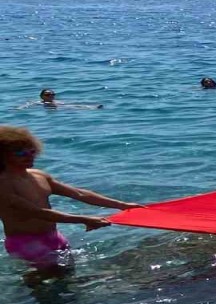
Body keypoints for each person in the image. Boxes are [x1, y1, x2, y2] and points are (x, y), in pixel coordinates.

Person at [0, 126, 141, 269]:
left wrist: (122, 205)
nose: (29, 155)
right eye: (20, 153)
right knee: (43, 282)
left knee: (66, 275)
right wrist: (83, 219)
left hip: (54, 236)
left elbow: (79, 193)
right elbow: (38, 212)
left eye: (31, 151)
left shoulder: (39, 175)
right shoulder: (4, 184)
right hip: (25, 242)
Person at [29, 89, 101, 110]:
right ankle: (91, 108)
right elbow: (29, 104)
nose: (50, 96)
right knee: (72, 107)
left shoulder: (57, 101)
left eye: (52, 94)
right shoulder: (40, 103)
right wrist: (20, 108)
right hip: (59, 107)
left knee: (74, 105)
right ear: (41, 96)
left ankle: (92, 106)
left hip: (59, 106)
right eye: (48, 95)